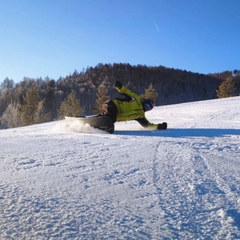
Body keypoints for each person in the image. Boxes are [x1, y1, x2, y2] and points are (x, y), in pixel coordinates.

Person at [101, 81, 167, 130]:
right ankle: (104, 126)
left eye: (149, 107)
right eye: (147, 104)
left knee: (109, 118)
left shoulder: (140, 116)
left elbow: (148, 125)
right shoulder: (136, 99)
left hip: (111, 114)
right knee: (111, 118)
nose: (146, 107)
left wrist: (159, 126)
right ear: (144, 101)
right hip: (111, 105)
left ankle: (96, 124)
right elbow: (126, 91)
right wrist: (120, 87)